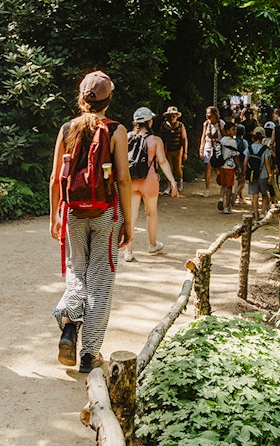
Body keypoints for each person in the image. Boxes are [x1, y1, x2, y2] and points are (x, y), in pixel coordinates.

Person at [49, 71, 133, 373]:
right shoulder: (116, 130)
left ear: (81, 98)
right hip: (106, 212)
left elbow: (56, 178)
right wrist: (128, 222)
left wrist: (54, 216)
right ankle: (89, 354)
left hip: (72, 211)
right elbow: (123, 179)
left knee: (76, 270)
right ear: (109, 99)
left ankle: (69, 325)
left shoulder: (67, 128)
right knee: (100, 281)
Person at [124, 107, 180, 262]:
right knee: (151, 213)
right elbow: (162, 161)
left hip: (131, 180)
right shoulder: (155, 140)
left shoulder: (127, 137)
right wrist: (172, 181)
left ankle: (129, 251)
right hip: (149, 181)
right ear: (149, 121)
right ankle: (152, 244)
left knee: (131, 216)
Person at [243, 126, 276, 211]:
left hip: (252, 175)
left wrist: (244, 173)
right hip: (263, 175)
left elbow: (245, 163)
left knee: (255, 195)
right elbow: (267, 163)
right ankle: (263, 213)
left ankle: (255, 214)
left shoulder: (249, 148)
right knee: (264, 195)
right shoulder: (265, 149)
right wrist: (270, 175)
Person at [156, 106, 187, 195]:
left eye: (174, 116)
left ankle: (179, 182)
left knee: (178, 168)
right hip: (167, 150)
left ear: (177, 116)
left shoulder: (180, 125)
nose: (172, 117)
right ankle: (168, 186)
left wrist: (185, 152)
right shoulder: (164, 126)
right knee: (168, 168)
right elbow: (161, 139)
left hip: (178, 149)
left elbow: (184, 139)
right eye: (170, 116)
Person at [217, 121, 243, 214]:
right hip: (229, 166)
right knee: (229, 187)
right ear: (227, 131)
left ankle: (221, 198)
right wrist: (239, 167)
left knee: (223, 185)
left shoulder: (222, 140)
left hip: (222, 166)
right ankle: (227, 206)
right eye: (233, 129)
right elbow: (235, 155)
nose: (234, 131)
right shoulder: (233, 142)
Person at [198, 106, 223, 197]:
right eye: (206, 113)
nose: (207, 115)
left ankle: (222, 185)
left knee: (218, 168)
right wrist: (201, 148)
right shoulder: (206, 124)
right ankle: (207, 189)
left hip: (218, 148)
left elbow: (224, 136)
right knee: (208, 167)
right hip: (208, 146)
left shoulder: (221, 123)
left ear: (214, 114)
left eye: (209, 113)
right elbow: (203, 137)